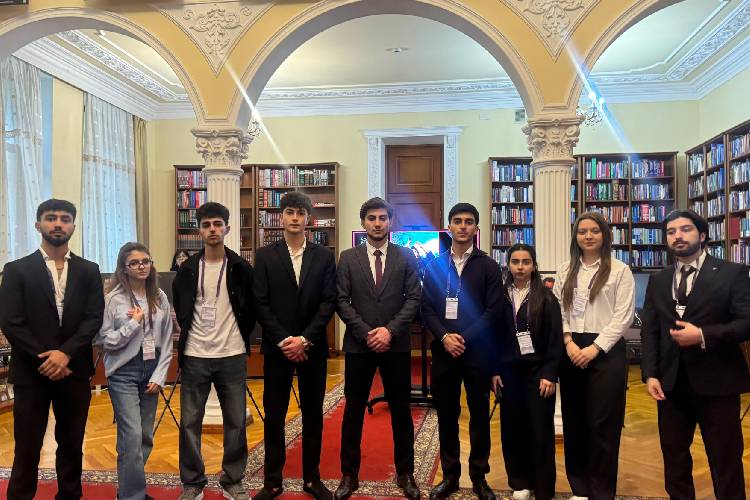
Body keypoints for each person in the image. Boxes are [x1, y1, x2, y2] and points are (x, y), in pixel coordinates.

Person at [640, 209, 750, 500]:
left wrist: (702, 335)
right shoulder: (659, 279)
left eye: (685, 229)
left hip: (718, 382)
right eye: (671, 232)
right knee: (674, 458)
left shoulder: (732, 273)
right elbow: (650, 330)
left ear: (702, 235)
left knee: (725, 459)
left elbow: (746, 322)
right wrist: (650, 373)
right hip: (671, 385)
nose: (677, 236)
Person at [0, 199, 104, 500]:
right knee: (27, 446)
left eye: (65, 218)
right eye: (51, 217)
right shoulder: (16, 270)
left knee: (72, 444)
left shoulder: (89, 270)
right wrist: (46, 358)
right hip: (31, 372)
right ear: (38, 225)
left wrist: (65, 354)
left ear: (73, 226)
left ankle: (70, 495)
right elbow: (11, 321)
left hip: (74, 371)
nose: (58, 223)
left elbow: (93, 317)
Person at [335, 197, 422, 500]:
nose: (377, 223)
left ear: (390, 222)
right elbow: (341, 300)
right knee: (353, 411)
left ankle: (406, 473)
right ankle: (349, 475)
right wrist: (365, 332)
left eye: (382, 218)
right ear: (363, 223)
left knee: (401, 412)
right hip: (359, 346)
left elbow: (414, 298)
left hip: (395, 346)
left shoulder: (406, 256)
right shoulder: (348, 257)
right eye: (371, 218)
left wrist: (389, 331)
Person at [253, 191, 337, 500]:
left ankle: (312, 479)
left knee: (313, 414)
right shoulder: (265, 255)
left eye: (301, 213)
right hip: (278, 349)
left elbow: (328, 302)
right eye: (290, 212)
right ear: (281, 216)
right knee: (274, 415)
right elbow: (260, 303)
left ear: (308, 219)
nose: (295, 218)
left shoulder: (324, 256)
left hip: (312, 348)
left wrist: (305, 339)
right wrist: (283, 340)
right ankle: (272, 480)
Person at [172, 202, 256, 500]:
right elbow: (182, 309)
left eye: (217, 224)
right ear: (199, 231)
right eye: (206, 225)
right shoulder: (186, 270)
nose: (212, 230)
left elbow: (251, 309)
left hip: (231, 354)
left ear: (227, 228)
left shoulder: (242, 268)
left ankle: (232, 479)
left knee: (235, 421)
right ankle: (193, 482)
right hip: (195, 355)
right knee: (189, 423)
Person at [420, 203, 502, 500]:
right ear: (449, 227)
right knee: (446, 415)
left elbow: (494, 311)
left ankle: (479, 477)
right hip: (444, 353)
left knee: (479, 416)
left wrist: (463, 338)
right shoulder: (435, 265)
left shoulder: (488, 266)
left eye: (468, 221)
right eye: (457, 221)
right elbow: (426, 308)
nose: (463, 226)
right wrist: (444, 337)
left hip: (477, 353)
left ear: (476, 228)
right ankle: (450, 476)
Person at [553, 211, 634, 500]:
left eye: (594, 231)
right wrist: (568, 342)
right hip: (571, 349)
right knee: (574, 421)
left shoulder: (620, 270)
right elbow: (557, 310)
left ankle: (601, 491)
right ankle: (580, 488)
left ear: (605, 235)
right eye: (582, 231)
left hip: (606, 351)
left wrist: (595, 348)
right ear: (575, 237)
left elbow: (623, 317)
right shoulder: (565, 269)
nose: (588, 236)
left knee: (603, 423)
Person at [97, 242, 173, 500]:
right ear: (124, 268)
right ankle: (132, 496)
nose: (141, 266)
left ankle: (128, 490)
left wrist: (160, 376)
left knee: (145, 437)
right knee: (131, 437)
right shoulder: (113, 299)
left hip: (152, 370)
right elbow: (104, 341)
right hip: (124, 373)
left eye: (146, 261)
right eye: (134, 263)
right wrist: (133, 324)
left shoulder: (160, 297)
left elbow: (167, 341)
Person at [494, 244, 562, 500]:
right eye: (515, 262)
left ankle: (543, 487)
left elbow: (555, 339)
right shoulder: (499, 296)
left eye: (526, 262)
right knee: (512, 430)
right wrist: (494, 371)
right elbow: (493, 337)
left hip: (538, 373)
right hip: (508, 374)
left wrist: (550, 373)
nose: (520, 267)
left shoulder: (547, 298)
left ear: (534, 265)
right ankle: (520, 482)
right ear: (508, 265)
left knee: (540, 431)